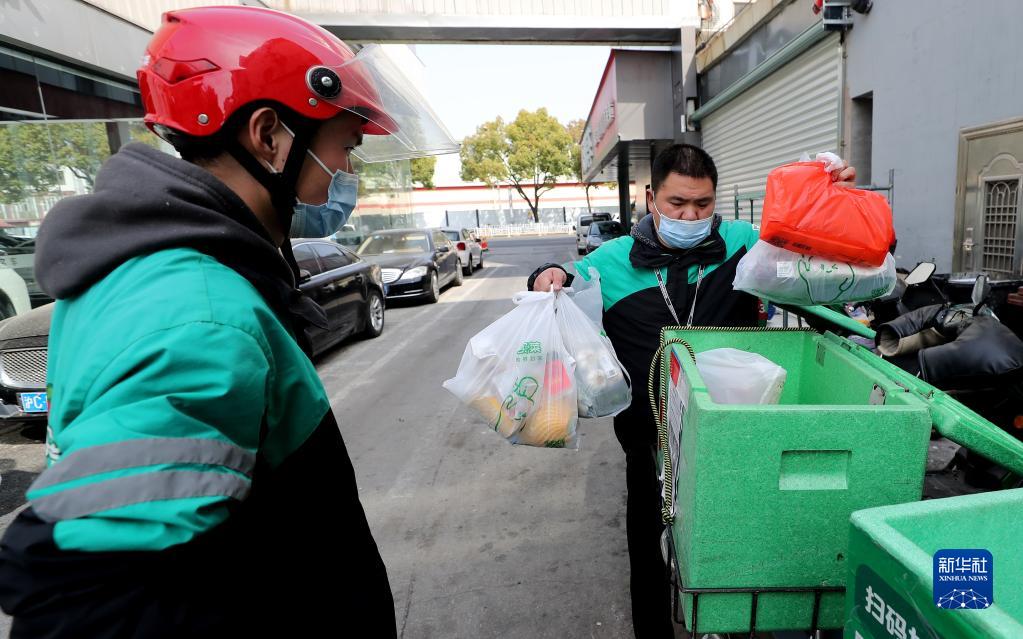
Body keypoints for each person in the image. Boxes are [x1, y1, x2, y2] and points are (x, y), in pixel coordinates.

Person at [0, 6, 453, 637]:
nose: (346, 174)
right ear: (269, 136)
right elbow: (88, 595)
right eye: (345, 147)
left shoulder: (147, 272)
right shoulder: (202, 318)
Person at [529, 144, 855, 638]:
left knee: (735, 547)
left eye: (703, 204)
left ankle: (733, 624)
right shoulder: (611, 262)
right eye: (677, 203)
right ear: (651, 199)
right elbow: (560, 281)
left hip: (734, 437)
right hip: (650, 440)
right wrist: (543, 275)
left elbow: (810, 267)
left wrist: (831, 208)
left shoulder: (742, 245)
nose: (690, 216)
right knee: (650, 551)